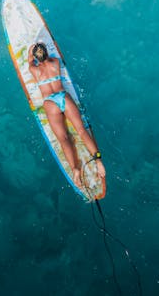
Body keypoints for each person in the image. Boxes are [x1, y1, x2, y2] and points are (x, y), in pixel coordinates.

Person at [28, 42, 106, 187]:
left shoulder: (34, 70)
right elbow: (48, 56)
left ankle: (75, 169)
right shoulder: (55, 62)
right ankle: (98, 161)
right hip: (63, 97)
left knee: (64, 138)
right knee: (82, 131)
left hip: (50, 103)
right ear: (47, 53)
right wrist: (41, 47)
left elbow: (29, 59)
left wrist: (32, 50)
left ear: (36, 58)